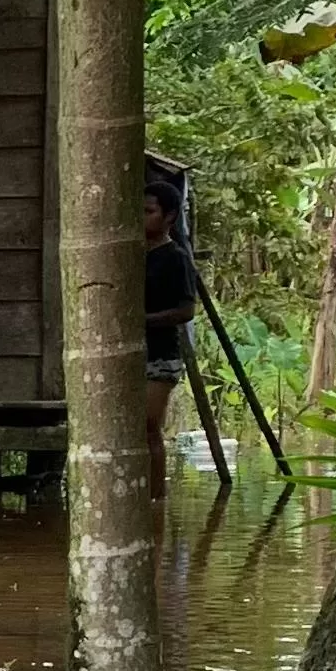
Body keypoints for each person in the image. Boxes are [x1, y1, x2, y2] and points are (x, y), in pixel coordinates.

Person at [142, 176, 200, 463]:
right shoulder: (129, 254)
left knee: (149, 428)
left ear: (170, 217)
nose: (142, 218)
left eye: (149, 212)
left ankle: (156, 503)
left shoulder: (176, 258)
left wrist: (145, 321)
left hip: (161, 356)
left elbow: (186, 311)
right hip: (133, 354)